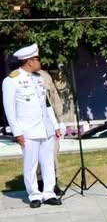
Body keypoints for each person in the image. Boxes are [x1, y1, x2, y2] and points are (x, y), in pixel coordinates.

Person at [1, 43, 62, 207]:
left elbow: (46, 105)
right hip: (28, 130)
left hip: (46, 128)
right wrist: (17, 132)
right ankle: (34, 195)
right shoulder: (11, 80)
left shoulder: (39, 78)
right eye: (38, 59)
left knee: (48, 163)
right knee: (31, 164)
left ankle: (49, 193)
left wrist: (55, 126)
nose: (40, 62)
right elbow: (9, 109)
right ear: (30, 61)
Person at [38, 68, 65, 196]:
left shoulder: (45, 76)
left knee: (52, 154)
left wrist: (60, 121)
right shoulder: (20, 78)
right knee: (36, 157)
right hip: (33, 124)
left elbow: (54, 99)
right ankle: (39, 183)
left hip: (50, 121)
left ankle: (53, 183)